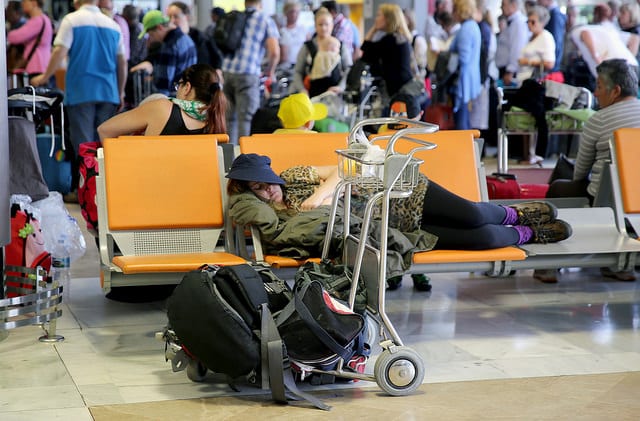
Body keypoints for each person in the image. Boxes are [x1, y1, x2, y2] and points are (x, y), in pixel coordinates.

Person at [226, 152, 572, 290]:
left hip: (399, 194)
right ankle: (529, 233)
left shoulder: (295, 177)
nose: (268, 191)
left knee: (471, 214)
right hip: (395, 229)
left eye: (268, 182)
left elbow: (343, 168)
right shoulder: (276, 215)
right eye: (258, 188)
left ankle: (518, 212)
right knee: (480, 240)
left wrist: (320, 196)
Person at [534, 59, 640, 283]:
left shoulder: (598, 120)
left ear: (616, 91)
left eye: (599, 86)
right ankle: (617, 265)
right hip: (636, 203)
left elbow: (580, 173)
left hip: (609, 201)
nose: (595, 92)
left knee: (559, 187)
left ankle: (546, 265)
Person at [31, 0, 127, 202]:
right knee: (104, 145)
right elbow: (122, 63)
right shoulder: (113, 25)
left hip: (82, 91)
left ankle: (86, 193)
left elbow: (60, 51)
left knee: (84, 146)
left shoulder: (72, 20)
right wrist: (120, 92)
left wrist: (44, 76)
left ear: (76, 1)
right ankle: (106, 193)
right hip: (108, 93)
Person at [97, 64, 226, 140]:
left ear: (187, 87)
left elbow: (104, 130)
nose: (177, 91)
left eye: (178, 86)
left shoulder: (162, 108)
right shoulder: (216, 122)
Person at [221, 0, 280, 145]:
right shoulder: (265, 19)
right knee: (247, 119)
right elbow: (274, 52)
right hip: (247, 73)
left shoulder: (234, 16)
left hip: (227, 71)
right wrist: (270, 72)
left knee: (229, 118)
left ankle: (228, 160)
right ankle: (245, 159)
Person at [130, 10, 197, 96]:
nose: (151, 39)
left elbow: (163, 86)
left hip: (173, 100)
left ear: (160, 27)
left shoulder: (169, 46)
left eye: (151, 35)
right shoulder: (186, 38)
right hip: (187, 96)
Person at [291, 7, 351, 97]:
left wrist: (341, 87)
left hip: (335, 95)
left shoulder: (340, 46)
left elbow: (348, 69)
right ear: (315, 26)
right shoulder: (307, 47)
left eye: (326, 24)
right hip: (312, 93)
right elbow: (298, 71)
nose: (323, 28)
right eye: (320, 24)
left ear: (332, 25)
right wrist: (302, 89)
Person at [360, 3, 415, 103]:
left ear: (388, 19)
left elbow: (366, 54)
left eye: (378, 15)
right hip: (404, 87)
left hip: (398, 90)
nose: (375, 19)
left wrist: (374, 29)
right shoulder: (399, 37)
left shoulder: (390, 40)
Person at [447, 0, 481, 130]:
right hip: (470, 77)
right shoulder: (473, 26)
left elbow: (463, 58)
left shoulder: (466, 29)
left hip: (462, 79)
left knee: (461, 120)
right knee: (465, 117)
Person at [6, 0, 53, 78]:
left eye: (25, 1)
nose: (22, 4)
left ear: (34, 2)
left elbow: (15, 37)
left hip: (37, 66)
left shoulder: (37, 21)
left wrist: (7, 33)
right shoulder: (44, 19)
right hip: (43, 64)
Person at [495, 0, 529, 87]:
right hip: (504, 69)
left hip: (510, 72)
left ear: (513, 5)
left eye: (503, 4)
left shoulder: (519, 23)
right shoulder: (511, 22)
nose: (501, 7)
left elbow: (517, 49)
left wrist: (510, 71)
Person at [279, 1, 310, 69]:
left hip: (302, 65)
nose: (294, 14)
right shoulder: (281, 31)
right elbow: (282, 55)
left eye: (297, 12)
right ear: (286, 13)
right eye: (292, 11)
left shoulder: (304, 29)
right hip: (286, 67)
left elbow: (309, 48)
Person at [538, 0, 566, 73]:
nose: (538, 1)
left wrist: (552, 66)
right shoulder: (551, 13)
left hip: (551, 66)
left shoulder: (555, 14)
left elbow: (556, 41)